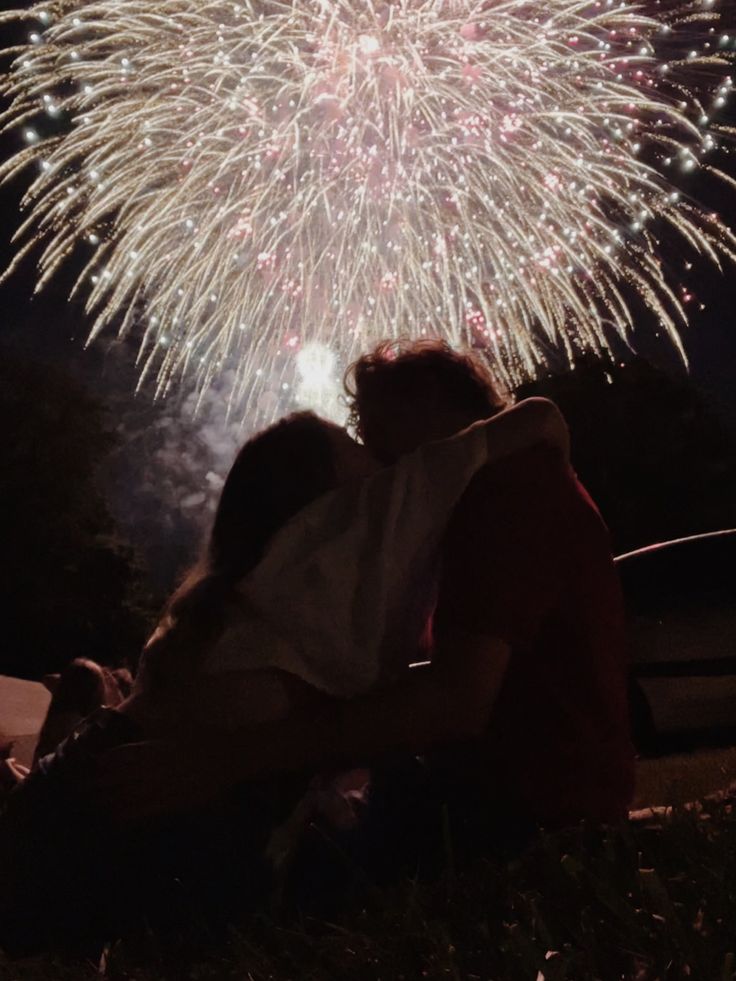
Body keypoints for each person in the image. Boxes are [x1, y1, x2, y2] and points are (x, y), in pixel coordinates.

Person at [0, 400, 566, 952]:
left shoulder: (243, 592)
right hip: (131, 814)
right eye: (355, 448)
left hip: (89, 790)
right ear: (319, 495)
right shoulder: (345, 528)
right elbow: (540, 417)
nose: (379, 460)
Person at [98, 341, 633, 848]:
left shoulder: (505, 491)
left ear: (428, 408)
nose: (372, 451)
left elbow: (455, 702)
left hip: (523, 807)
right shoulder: (468, 503)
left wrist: (225, 760)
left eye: (374, 425)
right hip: (517, 787)